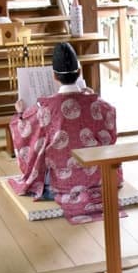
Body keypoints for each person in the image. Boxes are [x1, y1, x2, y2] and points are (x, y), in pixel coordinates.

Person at [7, 42, 120, 223]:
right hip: (96, 176)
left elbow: (25, 132)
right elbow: (110, 130)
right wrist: (94, 97)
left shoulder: (45, 108)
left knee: (42, 151)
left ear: (54, 76)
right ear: (80, 72)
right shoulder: (96, 103)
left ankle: (61, 186)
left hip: (60, 180)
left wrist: (20, 113)